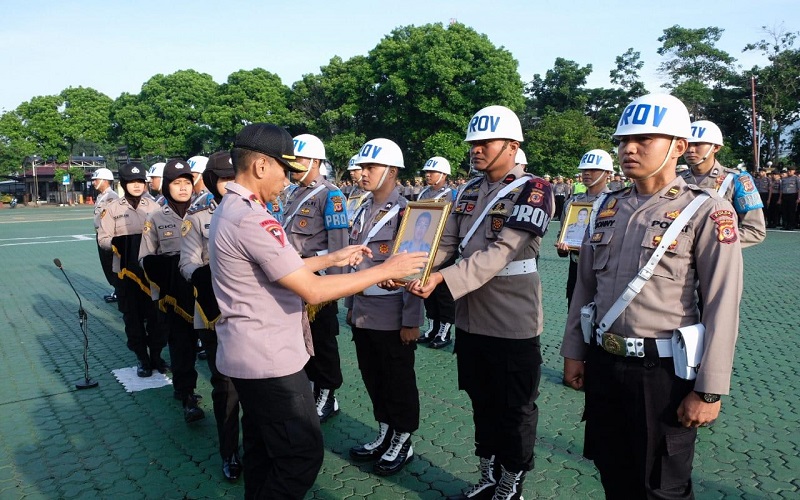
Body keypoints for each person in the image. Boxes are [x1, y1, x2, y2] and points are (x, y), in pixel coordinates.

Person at [209, 123, 426, 499]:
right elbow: (309, 289)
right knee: (301, 455)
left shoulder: (232, 208)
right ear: (261, 166)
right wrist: (386, 270)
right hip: (269, 359)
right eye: (284, 168)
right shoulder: (252, 217)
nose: (287, 178)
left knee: (263, 449)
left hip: (247, 352)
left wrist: (334, 257)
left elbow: (282, 268)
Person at [561, 93, 743, 499]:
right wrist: (575, 350)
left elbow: (722, 304)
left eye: (644, 139)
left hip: (662, 374)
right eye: (623, 140)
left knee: (661, 487)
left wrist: (709, 389)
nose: (629, 149)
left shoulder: (707, 210)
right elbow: (585, 287)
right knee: (613, 473)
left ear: (678, 147)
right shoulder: (607, 207)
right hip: (605, 364)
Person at [409, 105, 554, 500]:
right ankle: (489, 470)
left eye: (484, 142)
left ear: (512, 145)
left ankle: (512, 479)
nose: (475, 149)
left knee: (516, 406)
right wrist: (415, 270)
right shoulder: (468, 190)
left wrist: (440, 278)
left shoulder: (536, 190)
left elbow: (503, 251)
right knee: (481, 398)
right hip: (470, 315)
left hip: (512, 317)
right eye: (473, 142)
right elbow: (448, 244)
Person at [345, 138, 424, 477]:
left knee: (397, 380)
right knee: (373, 377)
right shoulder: (362, 207)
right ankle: (385, 432)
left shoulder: (408, 212)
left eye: (370, 168)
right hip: (363, 310)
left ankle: (403, 438)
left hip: (392, 312)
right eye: (361, 167)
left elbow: (415, 268)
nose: (361, 173)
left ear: (391, 171)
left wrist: (411, 319)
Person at [179, 151, 242, 480]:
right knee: (226, 387)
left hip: (251, 314)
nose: (231, 185)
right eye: (224, 179)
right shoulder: (198, 216)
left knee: (259, 387)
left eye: (235, 178)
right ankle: (229, 451)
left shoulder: (257, 211)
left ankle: (261, 446)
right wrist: (214, 274)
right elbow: (187, 264)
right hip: (214, 314)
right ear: (214, 182)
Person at [283, 133, 350, 422]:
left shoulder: (330, 195)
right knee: (301, 339)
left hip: (319, 278)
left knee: (323, 341)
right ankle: (311, 386)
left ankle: (327, 393)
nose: (294, 167)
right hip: (294, 276)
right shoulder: (292, 193)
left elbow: (339, 243)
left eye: (299, 161)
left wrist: (335, 284)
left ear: (316, 161)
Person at [139, 159, 205, 423]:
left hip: (205, 293)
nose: (182, 188)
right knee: (181, 346)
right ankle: (186, 395)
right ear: (166, 186)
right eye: (176, 183)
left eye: (187, 183)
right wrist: (167, 270)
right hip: (174, 297)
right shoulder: (154, 217)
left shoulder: (206, 213)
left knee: (215, 346)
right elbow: (145, 258)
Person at [96, 163, 164, 377]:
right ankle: (142, 358)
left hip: (151, 272)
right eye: (131, 182)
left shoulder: (154, 207)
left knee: (156, 317)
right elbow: (103, 239)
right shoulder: (113, 209)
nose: (136, 185)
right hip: (125, 273)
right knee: (132, 317)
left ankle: (156, 355)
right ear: (124, 184)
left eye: (140, 182)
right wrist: (120, 243)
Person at [681, 120, 766, 246]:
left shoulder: (737, 180)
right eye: (687, 144)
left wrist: (710, 239)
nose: (690, 150)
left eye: (697, 144)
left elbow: (755, 231)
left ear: (715, 147)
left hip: (716, 257)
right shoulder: (676, 179)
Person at [555, 149, 613, 309]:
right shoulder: (572, 203)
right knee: (574, 315)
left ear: (607, 172)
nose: (587, 173)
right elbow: (562, 236)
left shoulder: (616, 202)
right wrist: (563, 248)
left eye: (593, 170)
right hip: (576, 268)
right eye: (584, 170)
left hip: (603, 271)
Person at [416, 156, 458, 349]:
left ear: (443, 174)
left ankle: (445, 331)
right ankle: (432, 327)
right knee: (427, 290)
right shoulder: (423, 193)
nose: (427, 175)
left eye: (431, 172)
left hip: (444, 250)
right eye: (426, 172)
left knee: (443, 292)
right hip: (425, 248)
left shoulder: (453, 194)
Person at [91, 167, 120, 303]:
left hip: (109, 236)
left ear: (105, 181)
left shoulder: (111, 197)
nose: (93, 183)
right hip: (101, 235)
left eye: (96, 180)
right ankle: (117, 289)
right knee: (106, 265)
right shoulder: (101, 196)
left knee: (111, 265)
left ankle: (119, 291)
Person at [346, 154, 369, 226]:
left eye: (355, 170)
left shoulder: (370, 191)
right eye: (350, 170)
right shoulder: (353, 190)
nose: (351, 173)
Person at [779, 165, 799, 230]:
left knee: (791, 211)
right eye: (788, 171)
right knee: (785, 211)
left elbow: (799, 189)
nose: (789, 172)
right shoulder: (784, 179)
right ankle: (785, 225)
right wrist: (780, 198)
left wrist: (799, 198)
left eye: (790, 171)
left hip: (792, 195)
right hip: (785, 195)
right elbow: (781, 189)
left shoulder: (796, 178)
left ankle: (791, 225)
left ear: (794, 171)